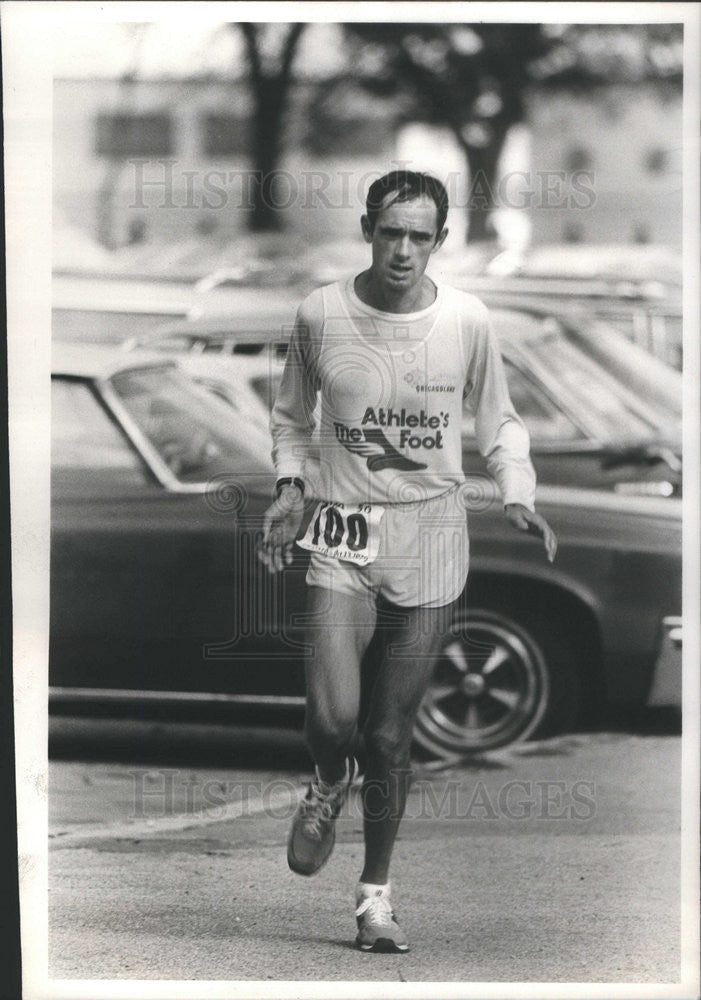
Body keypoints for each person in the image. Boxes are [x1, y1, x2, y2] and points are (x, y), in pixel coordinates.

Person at [257, 170, 557, 953]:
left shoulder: (466, 319)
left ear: (440, 242)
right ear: (367, 229)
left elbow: (500, 421)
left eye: (418, 236)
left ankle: (374, 899)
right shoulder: (321, 312)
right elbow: (291, 418)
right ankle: (326, 783)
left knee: (388, 735)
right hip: (342, 528)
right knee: (333, 718)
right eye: (389, 232)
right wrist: (290, 485)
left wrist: (516, 490)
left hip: (430, 529)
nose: (402, 250)